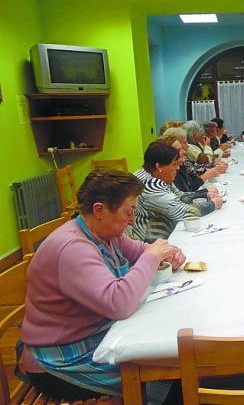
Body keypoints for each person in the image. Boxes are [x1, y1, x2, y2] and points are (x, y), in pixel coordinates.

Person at [21, 169, 186, 402]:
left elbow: (140, 250)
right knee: (172, 371)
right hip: (61, 360)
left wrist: (167, 253)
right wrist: (152, 257)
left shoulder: (103, 233)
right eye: (129, 211)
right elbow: (119, 304)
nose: (132, 219)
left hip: (94, 334)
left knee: (172, 359)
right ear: (100, 210)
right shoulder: (72, 248)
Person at [128, 141, 224, 242]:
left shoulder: (155, 176)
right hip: (147, 241)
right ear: (158, 166)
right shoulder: (150, 184)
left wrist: (205, 194)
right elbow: (182, 212)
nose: (177, 168)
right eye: (174, 164)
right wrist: (213, 204)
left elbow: (180, 196)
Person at [159, 128, 224, 192]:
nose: (187, 145)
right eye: (185, 142)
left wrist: (213, 165)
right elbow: (207, 160)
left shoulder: (182, 161)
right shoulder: (189, 151)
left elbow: (185, 191)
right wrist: (208, 146)